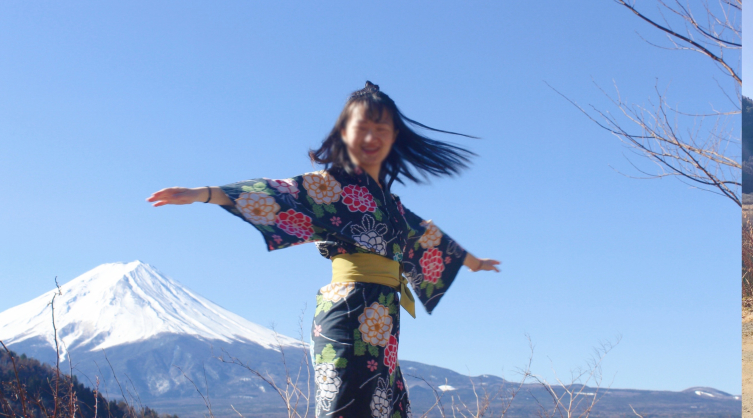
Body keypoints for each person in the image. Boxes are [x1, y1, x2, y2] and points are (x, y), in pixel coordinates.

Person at [146, 82, 503, 418]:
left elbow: (428, 239)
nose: (371, 137)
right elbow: (279, 192)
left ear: (394, 137)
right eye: (362, 127)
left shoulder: (392, 205)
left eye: (382, 129)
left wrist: (474, 262)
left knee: (382, 405)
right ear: (344, 134)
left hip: (383, 318)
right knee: (346, 402)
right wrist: (204, 193)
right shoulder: (329, 187)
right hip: (348, 312)